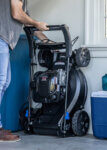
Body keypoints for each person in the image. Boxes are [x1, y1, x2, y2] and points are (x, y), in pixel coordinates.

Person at [0, 0, 50, 142]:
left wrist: (48, 42)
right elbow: (17, 14)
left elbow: (28, 22)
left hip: (4, 42)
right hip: (1, 39)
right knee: (1, 82)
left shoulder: (23, 3)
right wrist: (37, 23)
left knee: (4, 83)